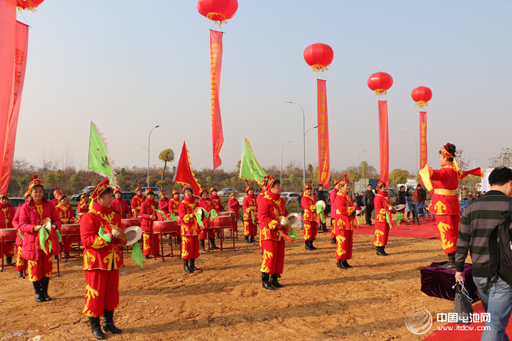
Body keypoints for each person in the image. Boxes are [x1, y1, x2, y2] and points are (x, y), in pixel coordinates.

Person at [455, 167, 512, 340]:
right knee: (495, 323)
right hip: (505, 273)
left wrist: (459, 268)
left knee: (494, 321)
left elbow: (462, 240)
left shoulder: (471, 208)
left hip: (479, 273)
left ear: (491, 183)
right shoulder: (510, 205)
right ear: (510, 183)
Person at [420, 143, 482, 269]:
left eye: (440, 157)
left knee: (446, 232)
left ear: (445, 158)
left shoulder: (445, 171)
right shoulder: (455, 170)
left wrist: (426, 170)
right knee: (454, 231)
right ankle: (457, 259)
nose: (439, 159)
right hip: (452, 203)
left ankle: (452, 260)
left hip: (442, 204)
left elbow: (434, 174)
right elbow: (461, 173)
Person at [80, 178, 123, 339]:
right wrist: (104, 239)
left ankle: (108, 322)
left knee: (111, 293)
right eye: (109, 196)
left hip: (113, 261)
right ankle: (95, 325)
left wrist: (126, 238)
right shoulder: (89, 217)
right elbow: (86, 241)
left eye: (111, 196)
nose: (112, 199)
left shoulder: (115, 217)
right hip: (96, 262)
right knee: (95, 294)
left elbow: (120, 236)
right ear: (99, 198)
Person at [18, 175, 61, 302]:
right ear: (30, 193)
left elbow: (57, 220)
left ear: (43, 192)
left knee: (47, 267)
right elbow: (21, 225)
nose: (38, 193)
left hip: (48, 241)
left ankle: (45, 292)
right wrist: (35, 228)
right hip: (33, 242)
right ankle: (38, 292)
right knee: (35, 268)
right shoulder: (25, 207)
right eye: (35, 191)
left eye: (40, 191)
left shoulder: (50, 205)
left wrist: (53, 226)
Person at [258, 176, 288, 290]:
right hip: (269, 233)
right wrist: (275, 224)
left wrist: (289, 220)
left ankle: (274, 279)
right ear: (271, 188)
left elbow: (285, 213)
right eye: (278, 186)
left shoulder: (281, 200)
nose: (280, 188)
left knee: (278, 256)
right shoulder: (264, 201)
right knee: (269, 256)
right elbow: (262, 217)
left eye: (280, 186)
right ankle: (265, 280)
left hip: (280, 233)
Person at [333, 175, 359, 269]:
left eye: (349, 185)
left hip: (348, 222)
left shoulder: (349, 197)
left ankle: (345, 260)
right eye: (346, 185)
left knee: (348, 243)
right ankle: (339, 260)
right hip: (342, 223)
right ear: (341, 187)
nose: (348, 187)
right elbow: (342, 209)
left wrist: (357, 211)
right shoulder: (339, 197)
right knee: (342, 242)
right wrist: (353, 209)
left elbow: (352, 207)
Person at [178, 184, 201, 273]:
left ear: (192, 193)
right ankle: (185, 265)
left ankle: (192, 265)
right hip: (186, 229)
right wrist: (193, 215)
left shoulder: (196, 203)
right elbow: (182, 217)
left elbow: (199, 213)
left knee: (194, 247)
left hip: (195, 228)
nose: (188, 193)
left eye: (189, 191)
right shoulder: (182, 204)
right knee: (187, 247)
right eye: (186, 192)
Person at [374, 181, 396, 256]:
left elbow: (389, 206)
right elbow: (378, 209)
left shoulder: (387, 196)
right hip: (380, 218)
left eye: (384, 186)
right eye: (383, 187)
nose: (384, 188)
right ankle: (379, 249)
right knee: (380, 234)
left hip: (387, 218)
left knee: (385, 234)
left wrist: (393, 209)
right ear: (379, 189)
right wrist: (387, 210)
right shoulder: (377, 197)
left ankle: (382, 248)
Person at [13, 191, 30, 277]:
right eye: (29, 197)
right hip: (22, 233)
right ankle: (20, 270)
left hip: (33, 233)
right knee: (20, 252)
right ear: (26, 198)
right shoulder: (21, 208)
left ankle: (32, 270)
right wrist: (18, 228)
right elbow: (15, 220)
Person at [140, 187, 160, 259]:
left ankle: (156, 252)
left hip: (154, 224)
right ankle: (147, 254)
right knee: (147, 239)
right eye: (149, 195)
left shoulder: (155, 203)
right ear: (146, 195)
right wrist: (148, 216)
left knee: (155, 238)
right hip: (147, 224)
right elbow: (142, 214)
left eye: (152, 195)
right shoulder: (144, 204)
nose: (151, 196)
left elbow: (157, 211)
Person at [55, 193, 77, 258]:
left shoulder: (69, 208)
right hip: (59, 227)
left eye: (66, 200)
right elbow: (55, 218)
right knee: (58, 240)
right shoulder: (57, 208)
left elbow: (72, 216)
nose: (65, 201)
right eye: (64, 200)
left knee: (67, 241)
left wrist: (72, 220)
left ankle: (66, 253)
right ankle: (56, 254)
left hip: (68, 226)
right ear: (60, 200)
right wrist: (59, 222)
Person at [198, 186, 218, 251]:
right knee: (203, 233)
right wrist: (205, 213)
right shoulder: (199, 201)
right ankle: (202, 246)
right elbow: (198, 210)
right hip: (203, 218)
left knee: (212, 232)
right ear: (201, 195)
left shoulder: (211, 200)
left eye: (205, 193)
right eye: (203, 193)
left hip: (211, 219)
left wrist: (214, 212)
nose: (205, 194)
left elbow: (214, 207)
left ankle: (213, 245)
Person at [0, 193, 16, 265]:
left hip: (10, 231)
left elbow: (15, 218)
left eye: (5, 199)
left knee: (9, 247)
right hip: (0, 231)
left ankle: (9, 262)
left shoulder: (11, 208)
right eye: (2, 199)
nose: (4, 200)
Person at [301, 181, 317, 251]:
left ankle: (311, 244)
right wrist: (315, 207)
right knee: (308, 231)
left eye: (310, 189)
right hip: (307, 217)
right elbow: (306, 206)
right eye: (308, 189)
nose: (309, 190)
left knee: (313, 231)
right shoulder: (304, 198)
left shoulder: (313, 197)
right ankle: (307, 245)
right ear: (305, 190)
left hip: (313, 216)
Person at [329, 179, 341, 244]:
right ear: (335, 185)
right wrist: (339, 207)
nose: (339, 186)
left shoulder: (339, 192)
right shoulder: (333, 193)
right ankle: (333, 238)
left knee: (338, 226)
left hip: (339, 212)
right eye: (338, 185)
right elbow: (333, 202)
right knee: (334, 226)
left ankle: (336, 238)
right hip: (335, 212)